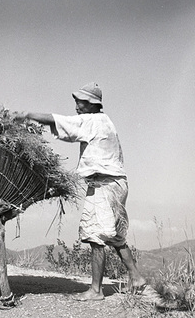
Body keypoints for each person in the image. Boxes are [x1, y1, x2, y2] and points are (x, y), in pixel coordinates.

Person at [13, 83, 165, 304]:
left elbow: (57, 120)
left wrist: (26, 115)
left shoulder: (92, 120)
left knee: (96, 236)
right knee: (114, 234)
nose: (77, 106)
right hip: (115, 183)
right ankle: (137, 277)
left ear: (92, 104)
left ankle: (96, 290)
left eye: (80, 102)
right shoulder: (106, 121)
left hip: (105, 184)